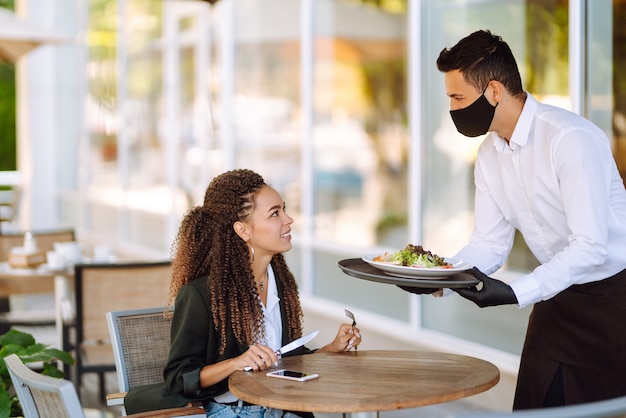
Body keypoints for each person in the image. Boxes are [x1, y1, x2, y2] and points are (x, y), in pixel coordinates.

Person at [400, 29, 626, 410]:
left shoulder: (569, 138)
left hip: (615, 303)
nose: (453, 109)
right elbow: (489, 243)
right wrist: (443, 276)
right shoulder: (489, 155)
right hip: (557, 300)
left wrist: (516, 292)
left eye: (458, 97)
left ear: (493, 91)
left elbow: (590, 246)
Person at [161, 169, 360, 418]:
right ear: (243, 230)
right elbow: (179, 379)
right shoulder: (201, 295)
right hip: (234, 412)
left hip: (285, 407)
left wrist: (333, 348)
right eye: (275, 213)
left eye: (284, 209)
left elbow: (287, 361)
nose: (288, 220)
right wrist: (236, 363)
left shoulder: (281, 283)